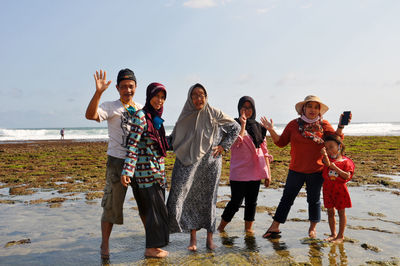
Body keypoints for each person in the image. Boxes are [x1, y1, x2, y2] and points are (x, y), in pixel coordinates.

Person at [260, 95, 350, 239]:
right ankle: (274, 227)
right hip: (296, 169)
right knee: (287, 198)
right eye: (309, 106)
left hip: (317, 170)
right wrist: (271, 129)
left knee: (313, 200)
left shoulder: (324, 125)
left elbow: (335, 141)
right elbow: (281, 142)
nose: (312, 110)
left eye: (316, 107)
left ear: (319, 111)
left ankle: (312, 228)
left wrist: (340, 126)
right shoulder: (293, 125)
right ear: (303, 108)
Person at [167, 83, 240, 251]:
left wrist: (223, 146)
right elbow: (174, 139)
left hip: (211, 164)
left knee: (209, 200)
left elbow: (235, 128)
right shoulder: (185, 115)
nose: (198, 98)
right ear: (189, 98)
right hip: (191, 164)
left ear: (206, 97)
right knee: (190, 198)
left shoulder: (215, 113)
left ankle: (209, 239)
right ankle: (192, 240)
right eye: (195, 95)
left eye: (202, 95)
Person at [85, 69, 143, 259]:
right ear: (117, 88)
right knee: (111, 204)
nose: (128, 90)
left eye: (131, 86)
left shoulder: (141, 108)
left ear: (136, 87)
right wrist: (98, 92)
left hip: (138, 161)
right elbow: (90, 115)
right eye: (124, 86)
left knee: (146, 203)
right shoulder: (110, 106)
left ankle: (151, 240)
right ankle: (105, 244)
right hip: (117, 161)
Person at [121, 83, 170, 258]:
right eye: (157, 96)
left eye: (163, 97)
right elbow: (132, 146)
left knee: (158, 210)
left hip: (158, 173)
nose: (160, 100)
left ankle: (155, 247)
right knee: (153, 211)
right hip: (144, 173)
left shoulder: (155, 119)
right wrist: (127, 171)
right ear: (149, 96)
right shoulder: (141, 117)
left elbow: (162, 144)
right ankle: (151, 249)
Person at [217, 96, 272, 234]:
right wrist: (242, 125)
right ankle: (220, 228)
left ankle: (248, 230)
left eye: (249, 108)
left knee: (251, 203)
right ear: (239, 108)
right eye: (244, 107)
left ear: (253, 109)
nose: (246, 110)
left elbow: (264, 152)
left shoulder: (259, 127)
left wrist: (268, 174)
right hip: (239, 172)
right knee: (235, 202)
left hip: (255, 171)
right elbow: (235, 144)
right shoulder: (233, 125)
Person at [321, 134, 354, 243]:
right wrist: (325, 154)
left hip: (340, 190)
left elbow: (347, 176)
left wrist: (336, 168)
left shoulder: (346, 161)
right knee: (330, 212)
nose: (329, 150)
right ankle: (333, 234)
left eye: (331, 147)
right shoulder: (327, 160)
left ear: (339, 146)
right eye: (327, 148)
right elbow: (327, 162)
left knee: (341, 212)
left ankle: (340, 235)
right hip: (327, 189)